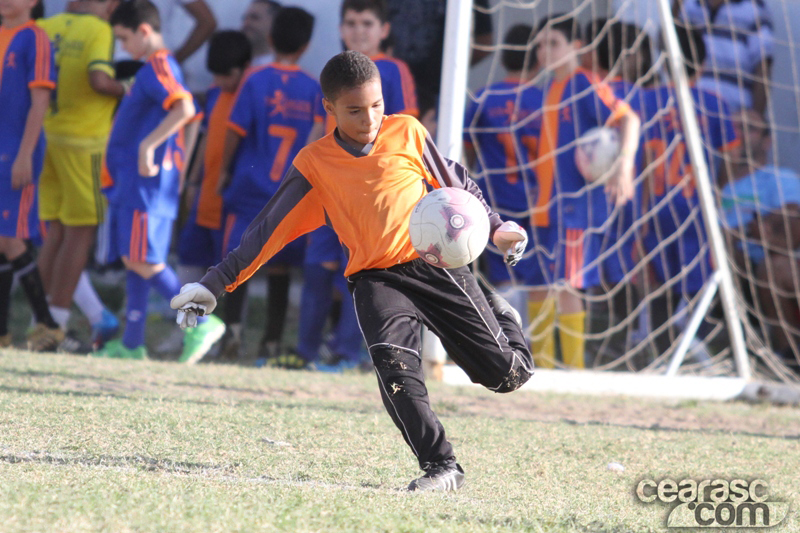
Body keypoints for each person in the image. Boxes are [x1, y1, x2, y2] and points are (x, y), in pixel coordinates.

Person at [171, 50, 533, 491]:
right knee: (395, 371)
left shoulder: (409, 132)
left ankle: (501, 316)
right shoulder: (315, 162)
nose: (370, 118)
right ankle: (442, 467)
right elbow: (266, 230)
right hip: (375, 279)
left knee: (507, 376)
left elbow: (457, 184)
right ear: (329, 109)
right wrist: (215, 283)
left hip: (435, 266)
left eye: (377, 105)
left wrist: (496, 227)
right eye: (355, 110)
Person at [94, 0, 225, 361]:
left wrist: (148, 148)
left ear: (144, 31)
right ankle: (132, 343)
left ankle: (201, 321)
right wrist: (179, 171)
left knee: (144, 260)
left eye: (124, 38)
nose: (122, 48)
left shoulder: (159, 65)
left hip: (145, 186)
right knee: (135, 259)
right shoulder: (159, 67)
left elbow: (184, 110)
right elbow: (194, 115)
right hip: (141, 185)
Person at [527, 14, 640, 369]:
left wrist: (623, 163)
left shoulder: (585, 84)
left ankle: (574, 368)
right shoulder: (547, 89)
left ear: (576, 47)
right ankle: (540, 366)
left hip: (574, 207)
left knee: (567, 286)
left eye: (554, 43)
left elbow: (629, 119)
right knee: (538, 284)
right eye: (541, 44)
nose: (545, 51)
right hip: (543, 205)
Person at [216, 5, 324, 366]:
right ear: (307, 46)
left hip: (249, 188)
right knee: (278, 266)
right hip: (290, 193)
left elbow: (235, 130)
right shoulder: (313, 88)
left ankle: (231, 332)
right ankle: (272, 343)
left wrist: (223, 171)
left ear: (272, 38)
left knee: (239, 259)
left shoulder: (255, 79)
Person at [641, 24, 738, 357]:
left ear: (663, 59)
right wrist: (717, 190)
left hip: (653, 205)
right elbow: (731, 156)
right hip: (697, 207)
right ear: (704, 61)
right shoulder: (715, 103)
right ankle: (700, 350)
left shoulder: (644, 100)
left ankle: (662, 351)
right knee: (702, 281)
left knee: (660, 285)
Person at [35, 0, 125, 348]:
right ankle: (54, 325)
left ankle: (39, 322)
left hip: (47, 135)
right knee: (80, 234)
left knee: (54, 231)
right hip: (83, 141)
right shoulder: (99, 30)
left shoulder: (47, 27)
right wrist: (127, 87)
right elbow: (100, 79)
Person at [176, 30, 251, 361]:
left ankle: (223, 334)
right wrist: (192, 183)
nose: (221, 81)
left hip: (228, 203)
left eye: (227, 75)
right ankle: (186, 333)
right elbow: (206, 141)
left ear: (244, 68)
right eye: (216, 75)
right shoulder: (217, 95)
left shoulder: (249, 96)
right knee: (188, 263)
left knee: (224, 274)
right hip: (203, 199)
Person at [463, 23, 541, 322]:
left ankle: (510, 335)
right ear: (536, 59)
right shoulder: (545, 100)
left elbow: (467, 151)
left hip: (494, 197)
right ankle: (534, 342)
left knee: (503, 270)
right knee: (534, 274)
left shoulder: (482, 98)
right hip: (536, 199)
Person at [0, 0, 61, 351]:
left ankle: (49, 326)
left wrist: (25, 154)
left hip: (17, 151)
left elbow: (40, 101)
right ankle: (3, 333)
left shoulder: (36, 38)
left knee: (11, 237)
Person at [719, 109, 800, 367]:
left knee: (773, 265)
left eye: (749, 128)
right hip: (722, 261)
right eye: (736, 127)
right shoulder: (711, 181)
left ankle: (787, 356)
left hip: (758, 263)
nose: (740, 134)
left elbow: (791, 230)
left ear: (767, 141)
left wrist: (751, 231)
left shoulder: (779, 178)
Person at [673, 0, 774, 115]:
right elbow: (670, 45)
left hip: (734, 114)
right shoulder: (689, 4)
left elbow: (763, 65)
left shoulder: (754, 8)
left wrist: (756, 115)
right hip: (690, 110)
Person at [241, 0, 279, 68]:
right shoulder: (233, 68)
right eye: (244, 18)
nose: (246, 23)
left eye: (254, 17)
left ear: (274, 24)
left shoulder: (281, 72)